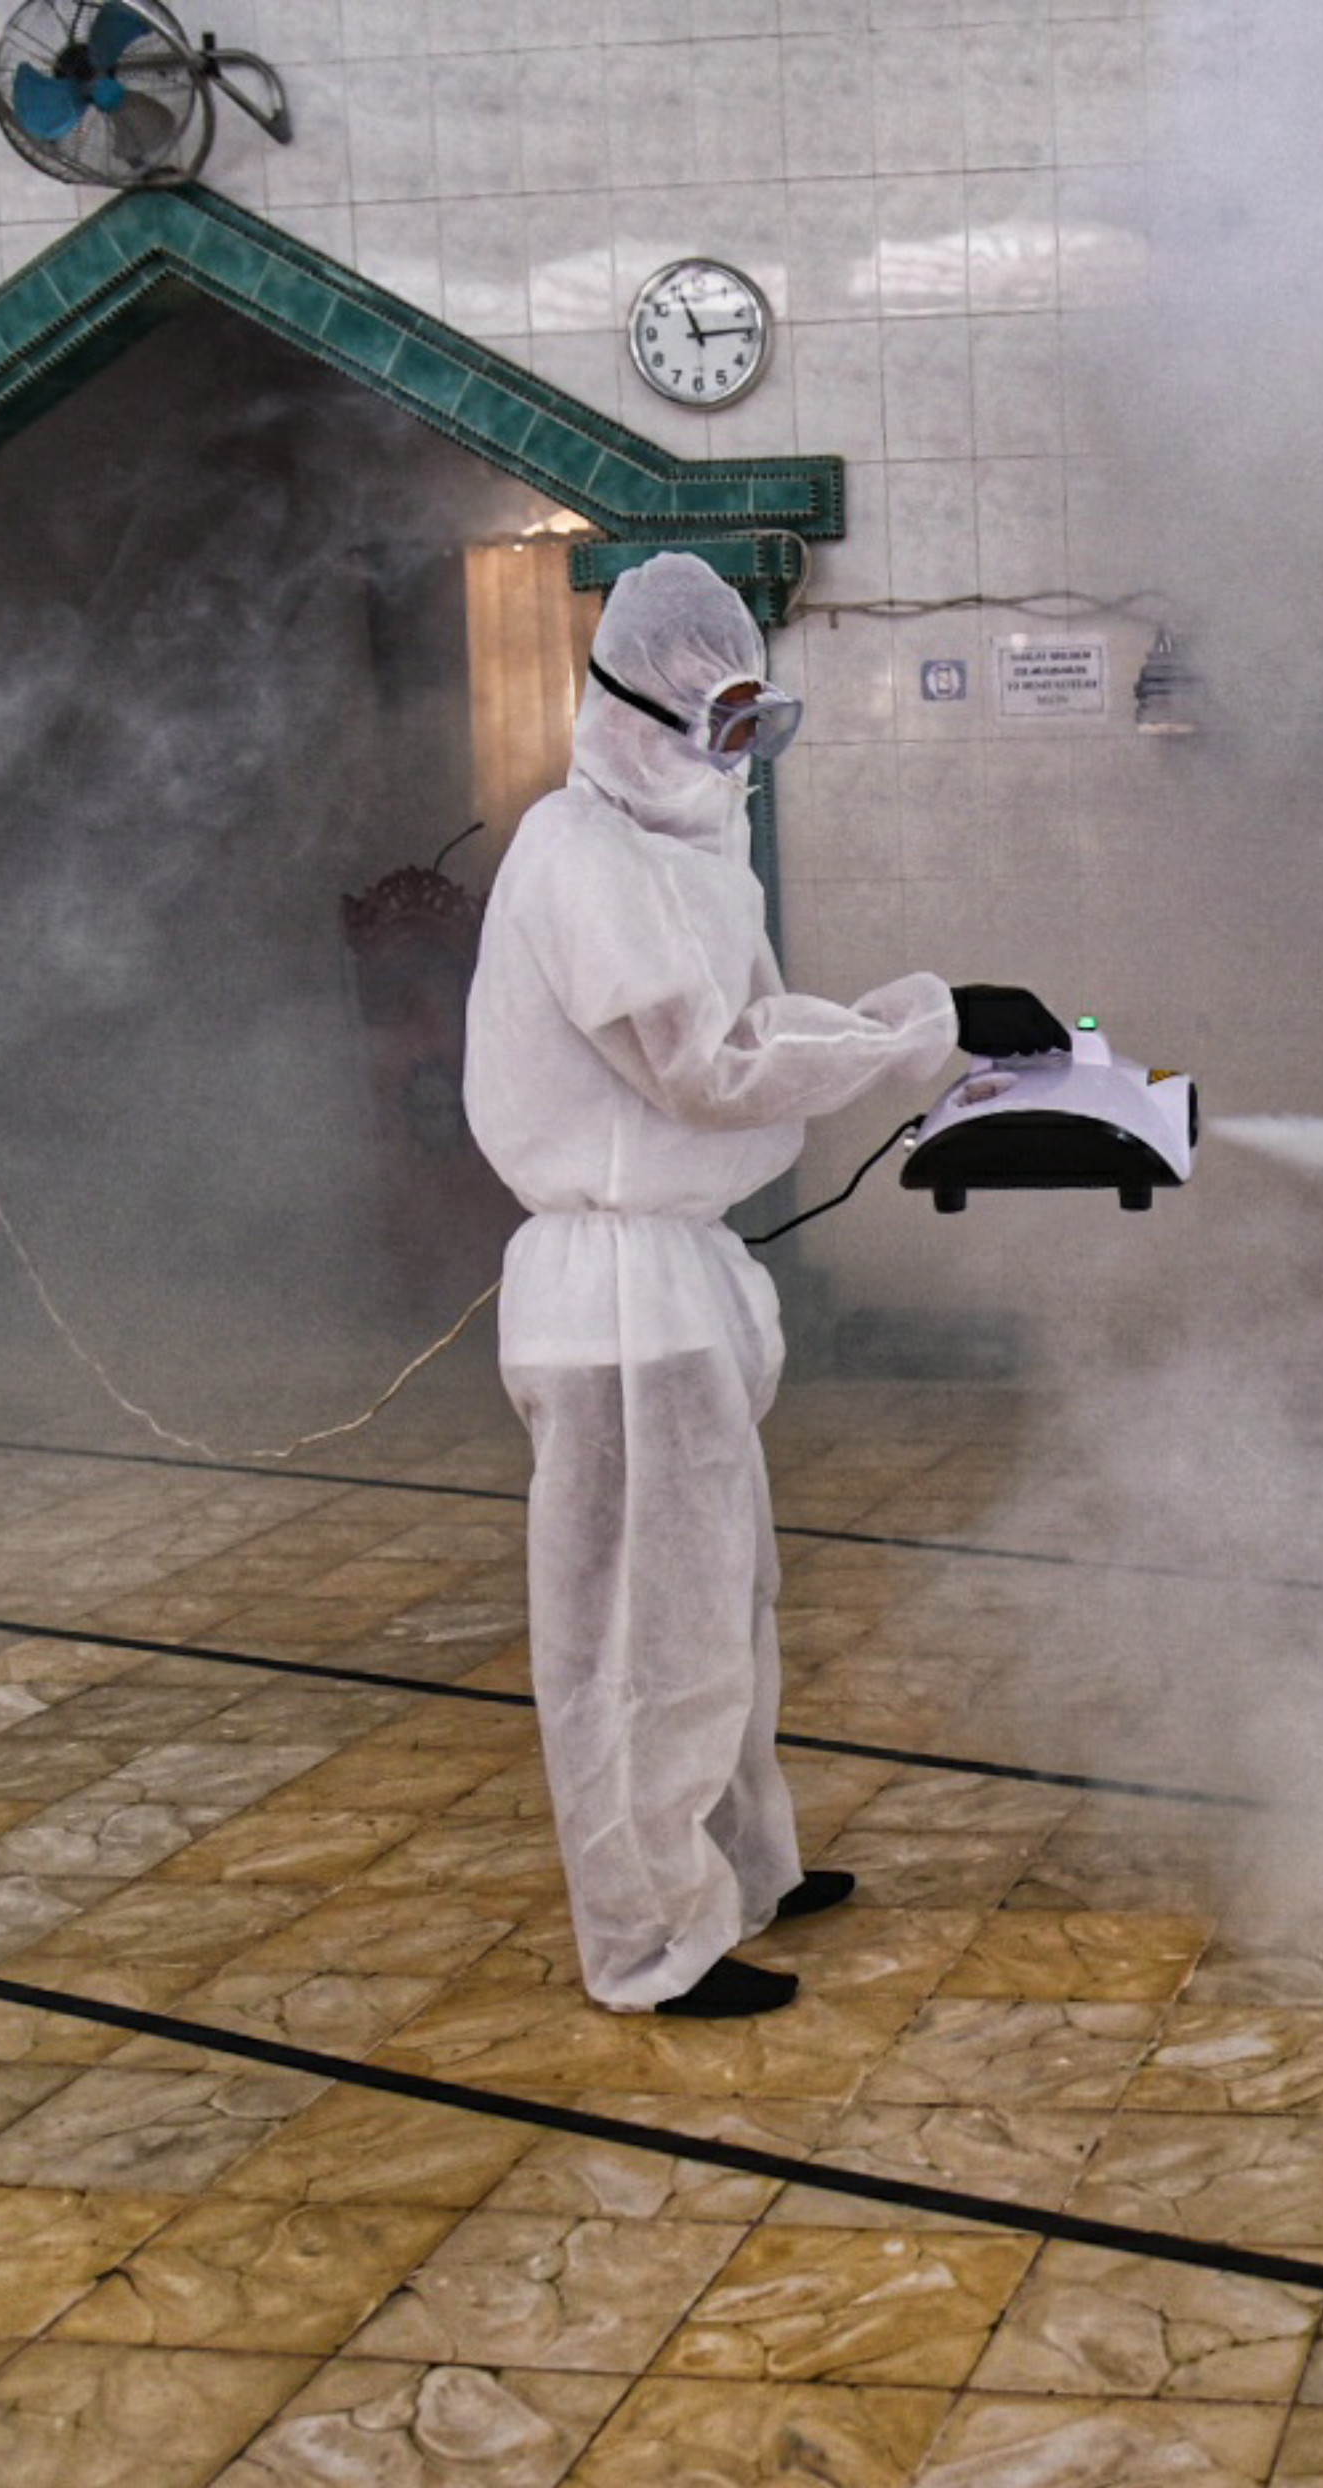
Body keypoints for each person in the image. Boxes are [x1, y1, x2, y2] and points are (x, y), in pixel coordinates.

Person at [462, 552, 1069, 2017]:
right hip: (614, 1296)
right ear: (635, 712)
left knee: (720, 1604)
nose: (734, 756)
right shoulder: (576, 857)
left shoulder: (681, 854)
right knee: (638, 1638)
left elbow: (748, 1024)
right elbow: (708, 1065)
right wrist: (928, 1025)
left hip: (677, 1280)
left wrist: (922, 1028)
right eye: (714, 723)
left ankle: (743, 1863)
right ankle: (650, 1943)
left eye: (751, 722)